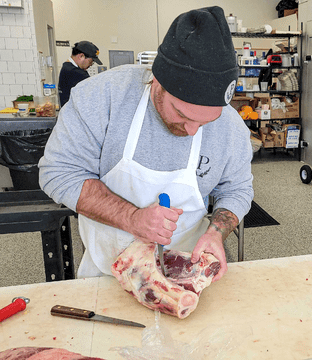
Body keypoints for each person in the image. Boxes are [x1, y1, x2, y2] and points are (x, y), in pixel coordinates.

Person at [39, 6, 253, 280]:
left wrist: (216, 233)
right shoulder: (102, 97)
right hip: (107, 273)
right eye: (183, 115)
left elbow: (237, 189)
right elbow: (59, 173)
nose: (192, 131)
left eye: (205, 122)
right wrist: (131, 218)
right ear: (157, 82)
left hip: (186, 274)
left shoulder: (231, 127)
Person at [57, 41, 103, 107]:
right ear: (81, 56)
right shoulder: (76, 72)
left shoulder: (66, 67)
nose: (90, 65)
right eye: (91, 62)